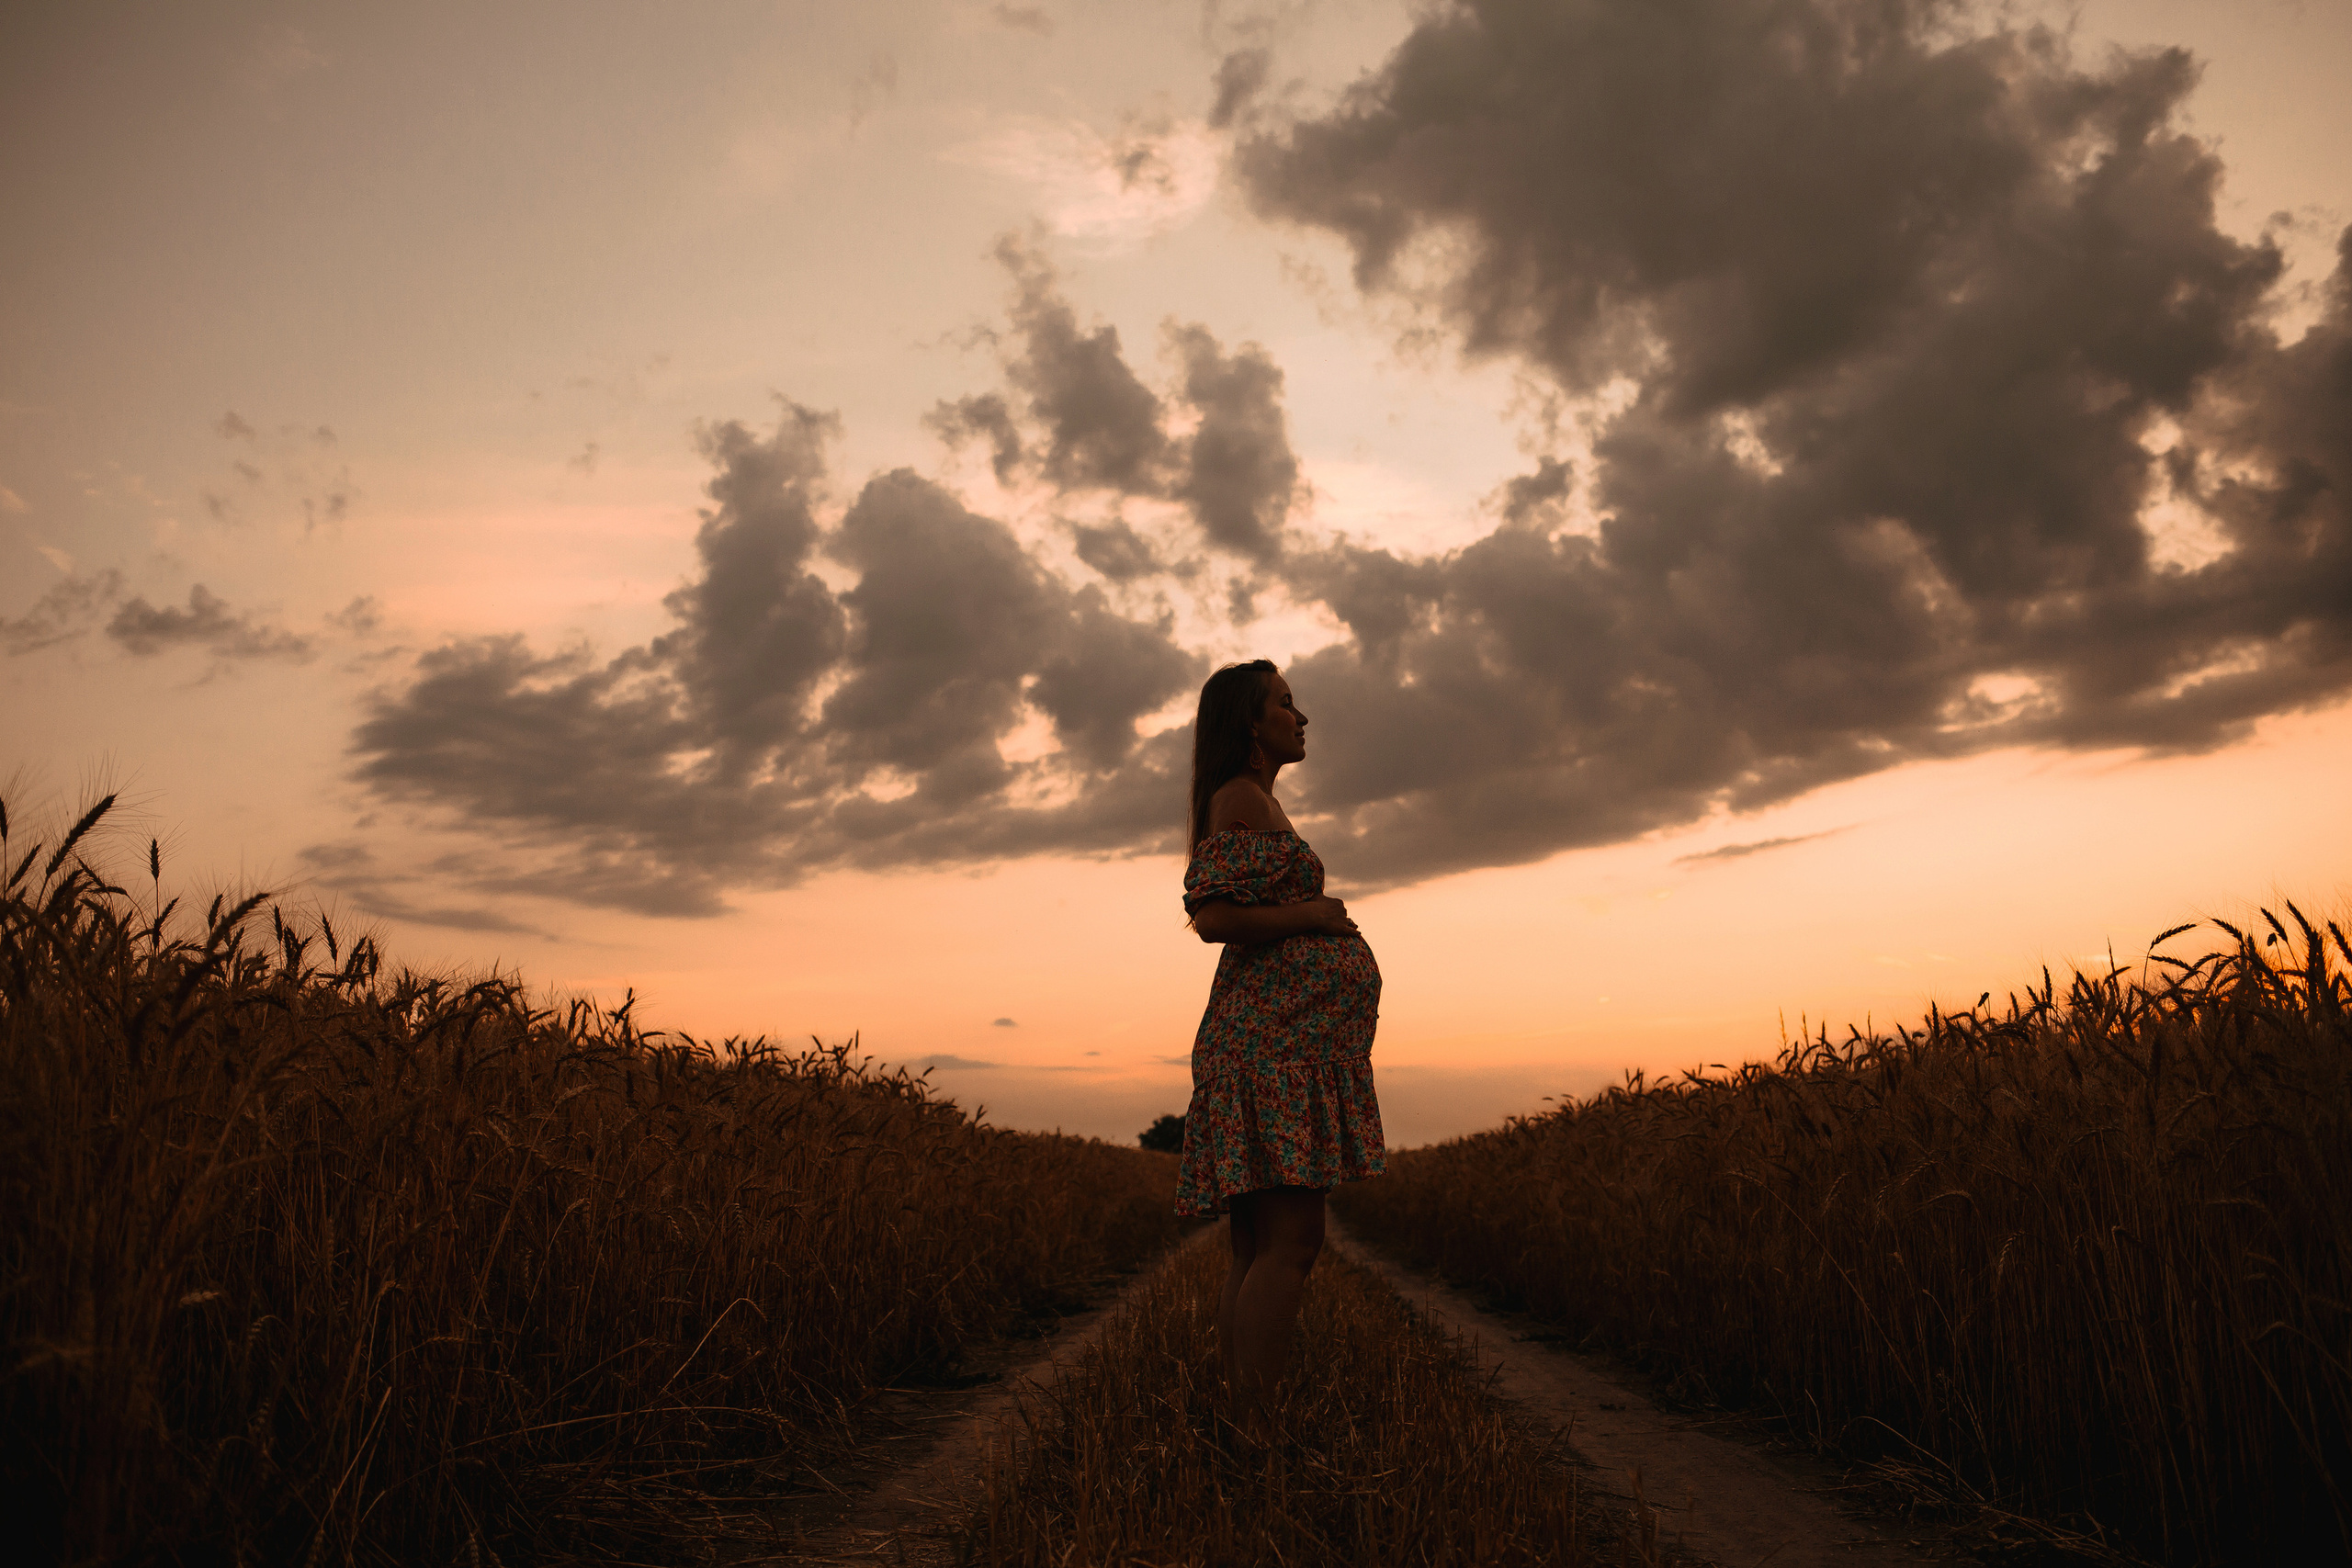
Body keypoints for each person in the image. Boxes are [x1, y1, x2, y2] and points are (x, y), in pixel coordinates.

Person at [1175, 659, 1386, 1442]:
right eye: (1286, 705)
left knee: (1259, 1244)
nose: (1302, 718)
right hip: (1270, 1051)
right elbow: (1215, 915)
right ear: (1250, 722)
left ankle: (1242, 1422)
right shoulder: (1239, 797)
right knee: (1291, 1241)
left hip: (1275, 1047)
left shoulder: (1251, 801)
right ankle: (1255, 1429)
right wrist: (1316, 913)